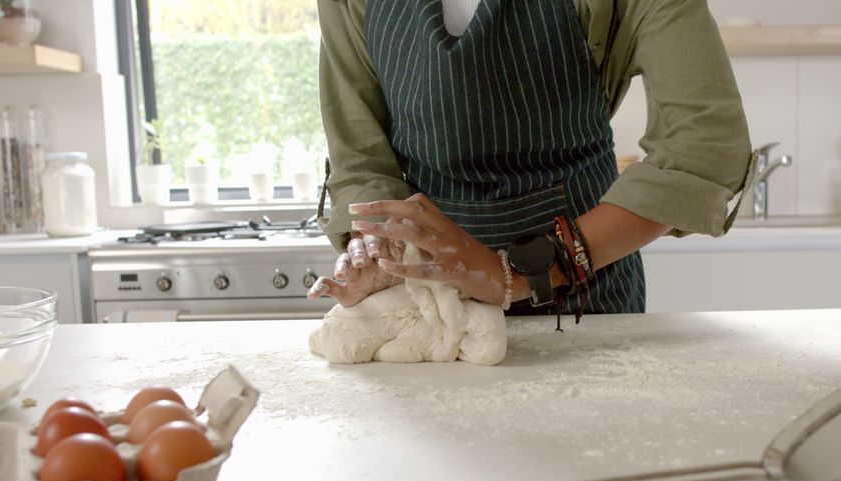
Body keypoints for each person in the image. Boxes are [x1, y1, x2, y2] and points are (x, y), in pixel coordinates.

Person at [309, 0, 751, 321]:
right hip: (433, 307)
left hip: (587, 301)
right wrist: (380, 247)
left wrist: (521, 272)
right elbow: (360, 155)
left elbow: (703, 147)